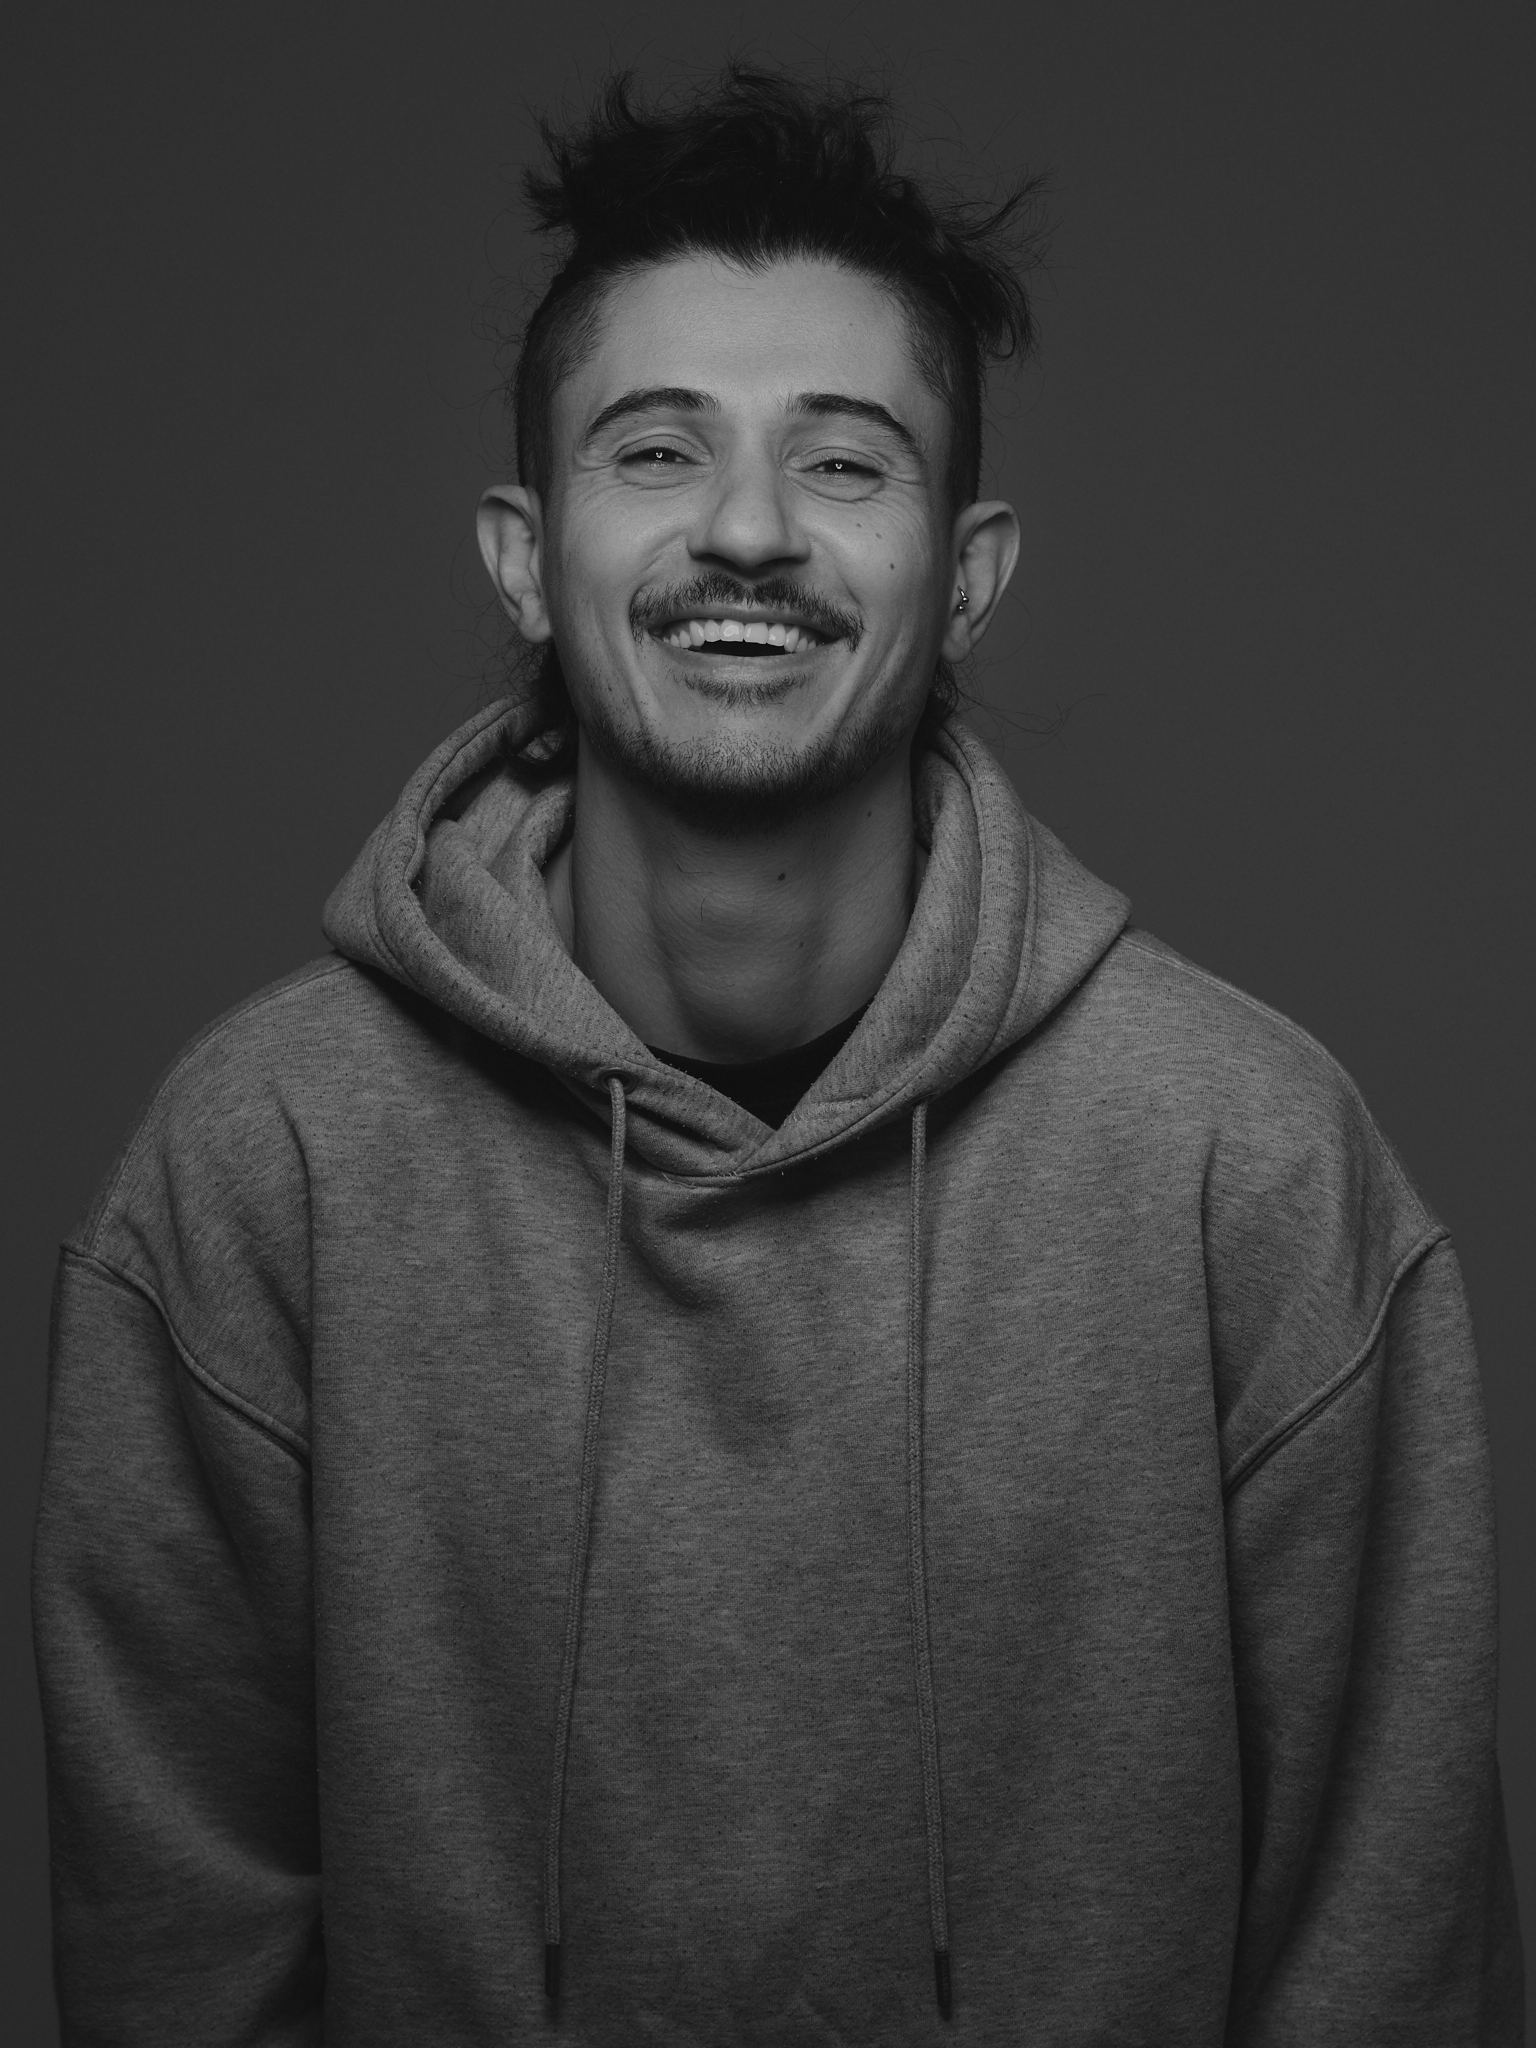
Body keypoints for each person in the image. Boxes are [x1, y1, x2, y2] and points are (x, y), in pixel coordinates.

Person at [33, 66, 1523, 2046]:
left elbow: (1391, 1950)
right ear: (522, 553)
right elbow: (177, 1947)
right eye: (657, 451)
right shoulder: (264, 1164)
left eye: (842, 463)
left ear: (968, 572)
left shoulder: (1247, 1165)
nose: (748, 532)